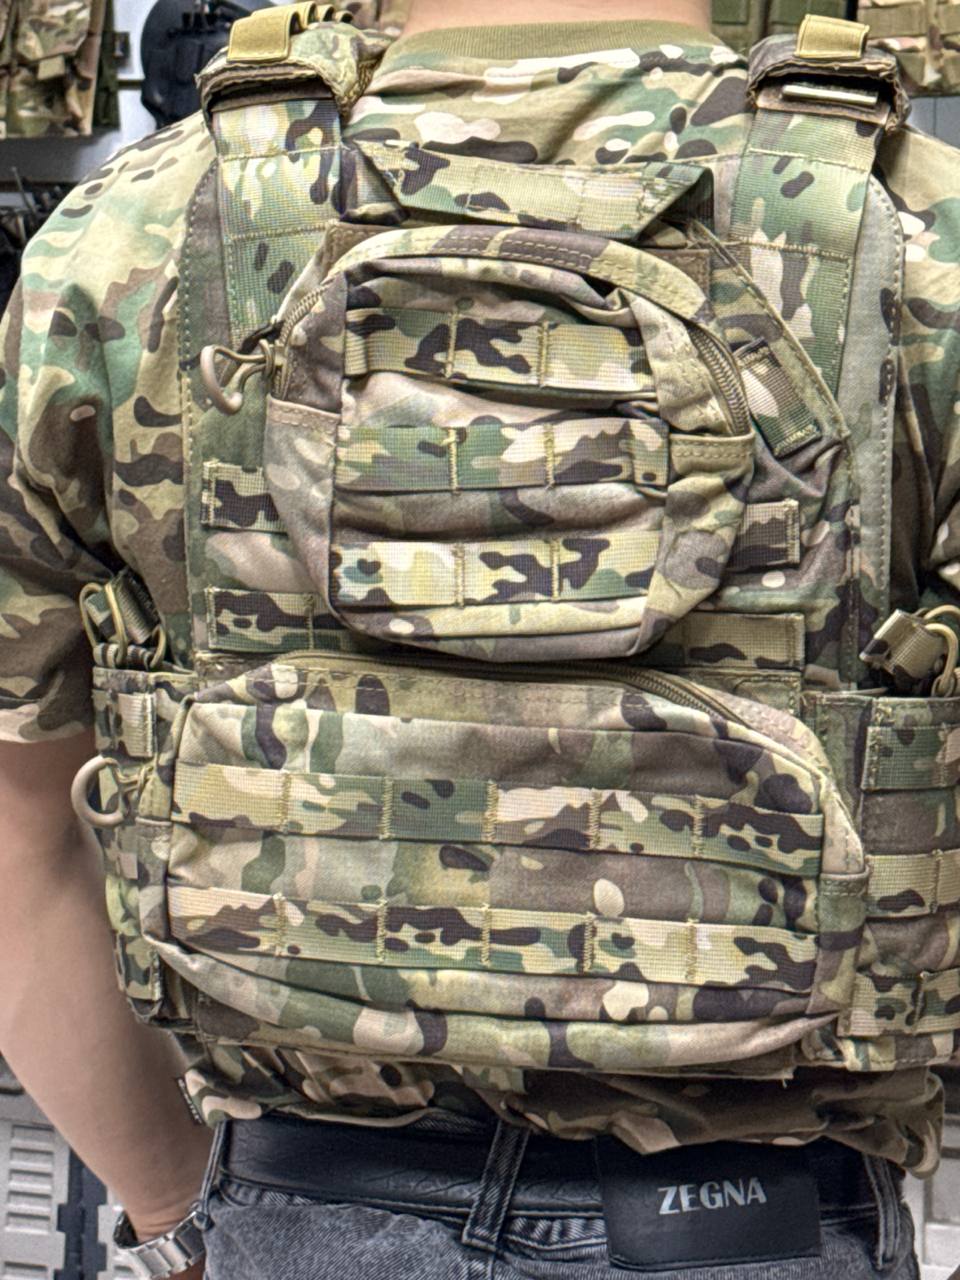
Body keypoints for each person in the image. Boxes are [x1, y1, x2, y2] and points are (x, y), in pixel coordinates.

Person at [1, 0, 957, 1276]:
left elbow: (15, 834)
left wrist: (180, 1212)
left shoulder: (128, 242)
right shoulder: (923, 239)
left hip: (306, 1210)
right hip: (759, 1220)